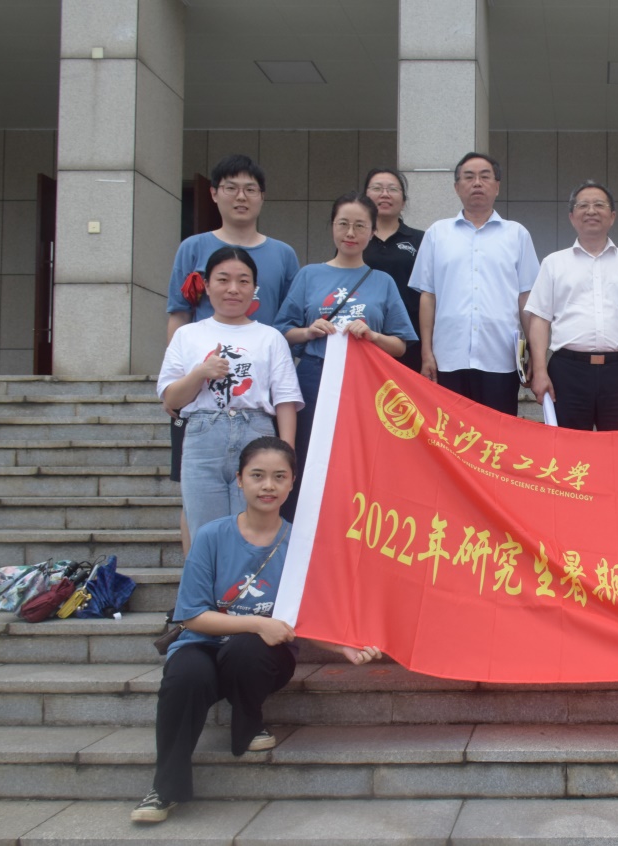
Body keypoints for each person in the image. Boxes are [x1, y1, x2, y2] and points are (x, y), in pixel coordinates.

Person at [131, 437, 382, 824]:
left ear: (292, 482)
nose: (268, 485)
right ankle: (165, 787)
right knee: (184, 676)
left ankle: (247, 721)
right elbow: (193, 616)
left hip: (261, 657)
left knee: (246, 649)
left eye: (279, 477)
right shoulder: (211, 536)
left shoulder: (301, 544)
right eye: (258, 476)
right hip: (203, 644)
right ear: (239, 480)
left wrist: (342, 647)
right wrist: (258, 622)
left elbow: (308, 616)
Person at [165, 154, 301, 553]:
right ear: (214, 194)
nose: (241, 197)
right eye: (231, 188)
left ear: (262, 197)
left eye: (250, 189)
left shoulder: (283, 254)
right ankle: (197, 579)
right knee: (195, 497)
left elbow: (290, 319)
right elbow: (178, 313)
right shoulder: (193, 247)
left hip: (257, 390)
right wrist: (179, 380)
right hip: (202, 393)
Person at [275, 193, 417, 518]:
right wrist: (308, 331)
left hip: (365, 382)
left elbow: (401, 344)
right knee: (308, 452)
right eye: (343, 224)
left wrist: (373, 336)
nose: (350, 233)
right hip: (314, 377)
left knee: (360, 458)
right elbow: (281, 332)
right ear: (332, 227)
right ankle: (301, 528)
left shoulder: (382, 281)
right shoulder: (309, 275)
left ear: (372, 231)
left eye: (360, 226)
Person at [409, 151, 540, 415]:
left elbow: (527, 299)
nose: (477, 183)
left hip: (500, 358)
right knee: (449, 433)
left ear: (497, 186)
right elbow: (428, 296)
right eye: (469, 177)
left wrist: (537, 358)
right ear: (457, 187)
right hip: (448, 357)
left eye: (485, 177)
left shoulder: (517, 234)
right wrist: (426, 352)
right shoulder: (437, 233)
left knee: (498, 434)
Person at [525, 181, 618, 430]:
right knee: (568, 449)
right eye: (583, 205)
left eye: (599, 205)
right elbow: (540, 319)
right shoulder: (554, 263)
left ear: (612, 216)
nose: (591, 211)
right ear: (572, 217)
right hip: (567, 372)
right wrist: (540, 371)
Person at [362, 167, 425, 372]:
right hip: (363, 337)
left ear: (404, 201)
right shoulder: (355, 239)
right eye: (377, 188)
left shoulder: (421, 240)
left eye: (392, 189)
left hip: (411, 341)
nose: (385, 194)